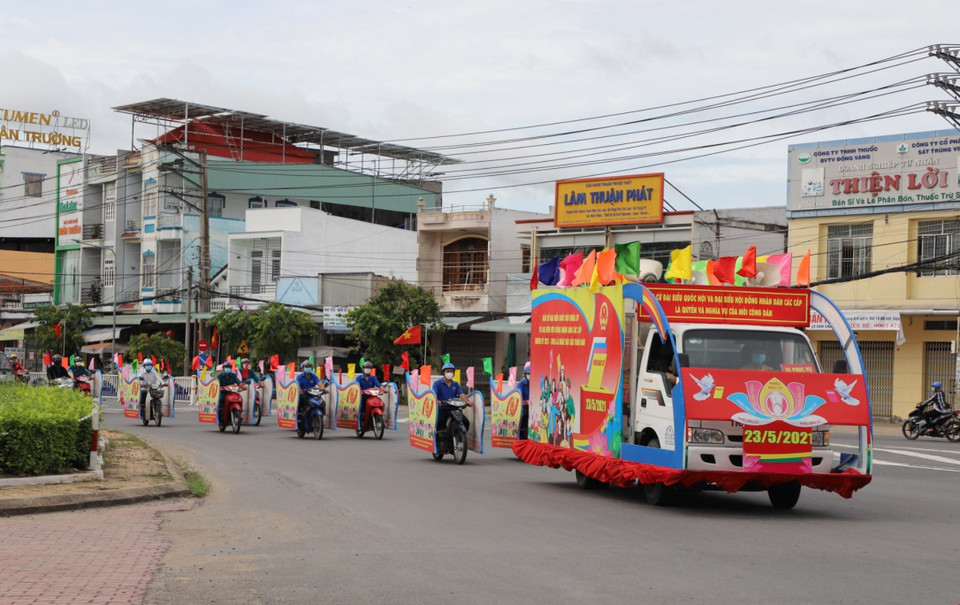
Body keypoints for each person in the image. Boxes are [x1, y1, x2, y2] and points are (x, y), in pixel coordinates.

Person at [432, 362, 473, 432]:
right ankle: (440, 438)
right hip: (442, 408)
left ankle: (461, 436)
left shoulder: (455, 384)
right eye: (447, 371)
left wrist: (468, 402)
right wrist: (437, 401)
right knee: (440, 424)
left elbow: (461, 394)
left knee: (465, 422)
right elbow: (434, 394)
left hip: (454, 408)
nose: (449, 373)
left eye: (451, 371)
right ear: (443, 373)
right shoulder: (437, 384)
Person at [295, 360, 327, 426]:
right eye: (306, 366)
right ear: (303, 368)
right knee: (299, 405)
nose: (308, 368)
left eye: (309, 366)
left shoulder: (314, 376)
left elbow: (320, 384)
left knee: (322, 403)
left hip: (312, 395)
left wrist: (324, 389)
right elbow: (297, 385)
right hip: (303, 396)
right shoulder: (299, 377)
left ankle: (320, 419)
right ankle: (298, 420)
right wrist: (300, 390)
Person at [517, 362, 531, 439]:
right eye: (528, 373)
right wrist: (525, 401)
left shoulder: (535, 383)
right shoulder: (521, 384)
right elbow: (518, 396)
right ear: (525, 374)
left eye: (531, 373)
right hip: (524, 408)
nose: (529, 375)